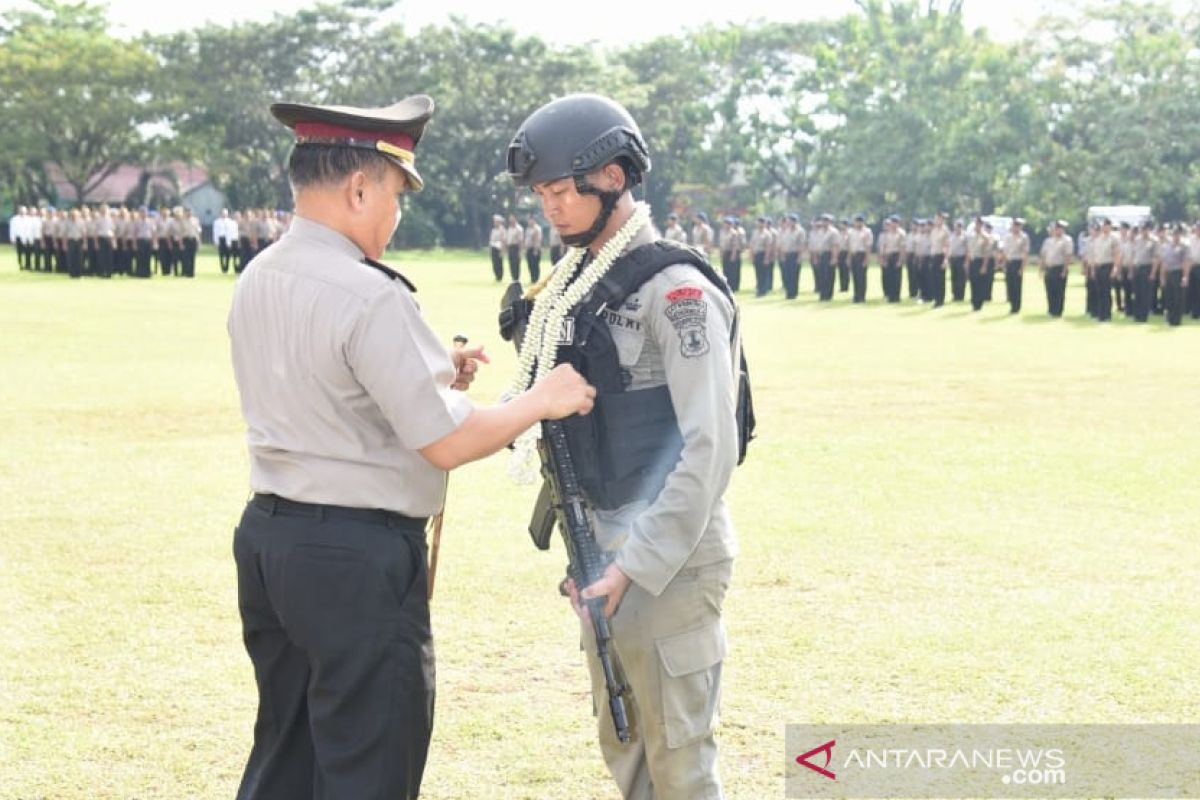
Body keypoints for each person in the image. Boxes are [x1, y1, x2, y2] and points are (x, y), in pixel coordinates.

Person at [227, 95, 595, 800]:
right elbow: (449, 441)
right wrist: (539, 400)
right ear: (359, 187)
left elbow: (327, 390)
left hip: (272, 545)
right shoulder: (369, 295)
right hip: (353, 560)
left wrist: (432, 372)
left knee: (288, 752)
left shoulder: (260, 274)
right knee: (369, 764)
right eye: (394, 194)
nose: (397, 215)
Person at [506, 93, 738, 800]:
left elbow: (709, 449)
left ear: (610, 176)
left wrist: (633, 564)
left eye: (559, 189)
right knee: (626, 746)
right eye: (540, 193)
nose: (549, 206)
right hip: (604, 552)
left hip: (669, 564)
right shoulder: (575, 290)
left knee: (680, 761)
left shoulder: (677, 292)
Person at [1155, 224, 1188, 326]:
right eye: (1174, 234)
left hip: (1178, 273)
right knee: (1168, 297)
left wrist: (1185, 276)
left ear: (1180, 234)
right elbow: (1164, 262)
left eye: (1177, 234)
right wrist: (1162, 277)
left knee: (1177, 297)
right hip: (1168, 273)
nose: (1175, 236)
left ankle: (1177, 320)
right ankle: (1169, 319)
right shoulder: (1166, 246)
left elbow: (1186, 262)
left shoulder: (1184, 246)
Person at [1039, 220, 1072, 317]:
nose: (1058, 231)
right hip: (1049, 268)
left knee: (1059, 291)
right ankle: (1051, 309)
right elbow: (1043, 255)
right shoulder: (1048, 241)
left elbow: (1067, 256)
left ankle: (1058, 311)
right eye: (1057, 228)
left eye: (1060, 229)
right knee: (1050, 290)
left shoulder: (1066, 240)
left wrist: (1064, 270)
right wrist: (1042, 268)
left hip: (1059, 267)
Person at [1001, 218, 1029, 314]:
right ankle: (1011, 304)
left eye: (1018, 226)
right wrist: (1004, 264)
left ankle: (1016, 307)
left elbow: (1025, 253)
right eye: (1014, 225)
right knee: (1010, 285)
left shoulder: (1024, 237)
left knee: (1017, 285)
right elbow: (1005, 251)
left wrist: (1022, 267)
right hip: (1009, 262)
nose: (1015, 227)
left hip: (1018, 262)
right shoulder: (1008, 237)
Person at [846, 214, 873, 303]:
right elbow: (849, 246)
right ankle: (856, 296)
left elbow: (868, 246)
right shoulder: (851, 232)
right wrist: (848, 258)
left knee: (861, 277)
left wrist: (866, 258)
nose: (858, 223)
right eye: (856, 221)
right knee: (855, 277)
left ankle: (862, 296)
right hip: (853, 255)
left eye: (860, 221)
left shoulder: (867, 232)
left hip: (862, 255)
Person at [524, 213, 543, 283]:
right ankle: (532, 278)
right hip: (529, 249)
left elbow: (537, 239)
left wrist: (535, 250)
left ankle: (536, 279)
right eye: (529, 220)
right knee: (530, 264)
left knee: (535, 265)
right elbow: (526, 239)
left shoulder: (537, 228)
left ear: (534, 220)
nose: (529, 222)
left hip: (535, 249)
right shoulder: (528, 229)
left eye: (531, 220)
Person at [505, 213, 524, 281]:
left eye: (512, 219)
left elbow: (520, 241)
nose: (511, 221)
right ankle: (513, 277)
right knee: (511, 263)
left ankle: (516, 278)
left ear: (515, 219)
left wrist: (520, 251)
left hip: (516, 247)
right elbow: (507, 239)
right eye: (510, 219)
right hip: (510, 247)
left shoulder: (519, 229)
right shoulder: (509, 228)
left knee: (516, 263)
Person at [488, 213, 505, 281]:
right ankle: (496, 275)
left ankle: (499, 276)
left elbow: (503, 240)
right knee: (494, 263)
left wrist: (502, 250)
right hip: (493, 247)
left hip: (499, 248)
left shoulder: (502, 230)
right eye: (494, 221)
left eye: (496, 221)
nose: (495, 223)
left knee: (499, 263)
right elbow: (491, 239)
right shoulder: (493, 230)